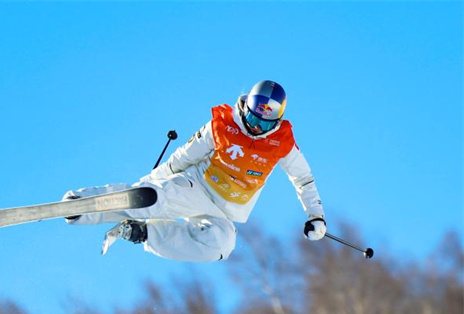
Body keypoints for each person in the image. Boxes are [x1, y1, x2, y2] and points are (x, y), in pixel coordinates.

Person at [64, 80, 325, 261]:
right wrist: (150, 183)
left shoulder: (282, 142)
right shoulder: (223, 125)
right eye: (253, 118)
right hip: (197, 187)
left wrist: (316, 216)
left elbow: (303, 178)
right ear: (246, 107)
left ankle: (143, 233)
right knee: (148, 201)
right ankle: (82, 206)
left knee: (221, 246)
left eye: (264, 122)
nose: (256, 127)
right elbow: (182, 158)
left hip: (226, 211)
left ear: (276, 120)